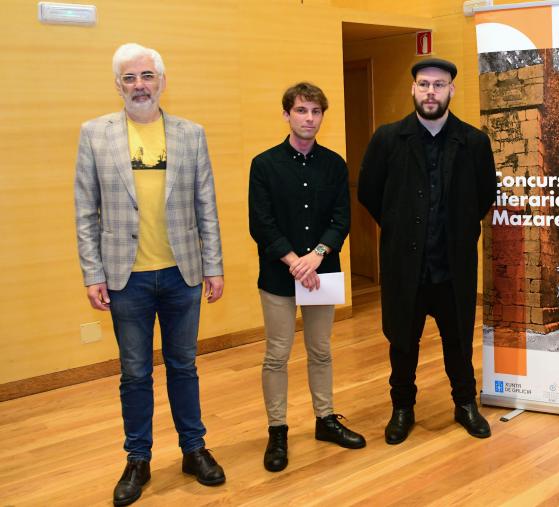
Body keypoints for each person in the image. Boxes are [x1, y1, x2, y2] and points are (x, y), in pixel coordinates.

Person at [74, 43, 226, 507]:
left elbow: (206, 205)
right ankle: (137, 459)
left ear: (161, 80)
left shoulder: (190, 134)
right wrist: (91, 273)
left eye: (146, 76)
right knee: (135, 373)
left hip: (182, 273)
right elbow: (85, 211)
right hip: (126, 278)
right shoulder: (94, 134)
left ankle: (193, 449)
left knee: (184, 367)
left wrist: (214, 266)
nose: (139, 85)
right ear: (117, 85)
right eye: (129, 78)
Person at [358, 57, 496, 444]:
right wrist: (401, 227)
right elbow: (369, 192)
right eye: (423, 84)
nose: (430, 92)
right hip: (406, 266)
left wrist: (459, 230)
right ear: (413, 90)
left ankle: (465, 404)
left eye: (438, 85)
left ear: (451, 90)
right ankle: (402, 408)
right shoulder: (388, 139)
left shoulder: (473, 142)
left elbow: (486, 195)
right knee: (402, 342)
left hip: (453, 265)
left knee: (457, 341)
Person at [248, 82, 365, 473]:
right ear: (287, 114)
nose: (309, 119)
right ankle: (277, 430)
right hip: (279, 276)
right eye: (301, 111)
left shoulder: (334, 164)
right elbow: (261, 223)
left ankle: (326, 420)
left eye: (315, 112)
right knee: (277, 354)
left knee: (321, 350)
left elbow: (341, 219)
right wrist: (294, 260)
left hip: (322, 272)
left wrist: (315, 257)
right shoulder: (263, 164)